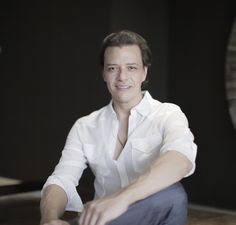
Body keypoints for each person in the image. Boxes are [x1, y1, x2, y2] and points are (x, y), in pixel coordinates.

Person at [40, 30, 197, 225]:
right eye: (113, 68)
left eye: (131, 67)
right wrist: (49, 219)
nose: (122, 77)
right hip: (102, 221)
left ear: (144, 72)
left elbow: (180, 161)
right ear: (104, 74)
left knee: (173, 196)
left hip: (152, 219)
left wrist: (120, 200)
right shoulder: (85, 126)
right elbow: (62, 179)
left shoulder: (168, 114)